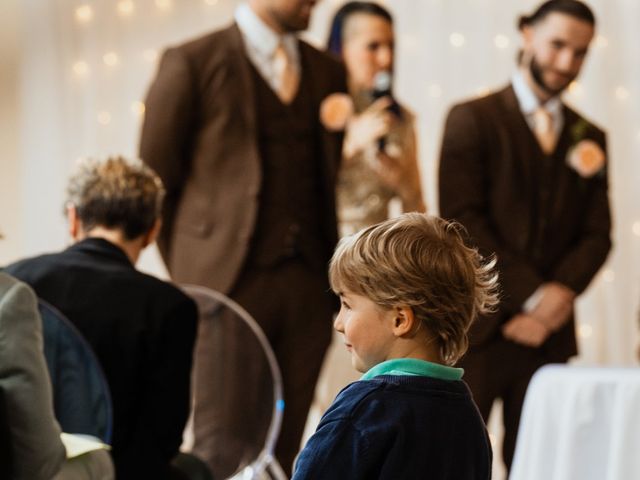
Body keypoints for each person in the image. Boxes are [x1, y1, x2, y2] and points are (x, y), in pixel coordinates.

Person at [139, 0, 346, 474]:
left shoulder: (326, 71)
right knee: (220, 444)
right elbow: (154, 183)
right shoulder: (191, 61)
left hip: (310, 286)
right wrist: (197, 275)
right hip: (224, 289)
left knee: (290, 447)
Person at [438, 0, 611, 471]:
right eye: (557, 45)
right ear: (527, 35)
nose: (566, 63)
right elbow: (462, 223)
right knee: (457, 459)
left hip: (549, 342)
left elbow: (599, 235)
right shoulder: (470, 118)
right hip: (483, 330)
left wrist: (554, 305)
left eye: (579, 53)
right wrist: (533, 297)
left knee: (542, 465)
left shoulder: (589, 135)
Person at [5, 157, 198, 480]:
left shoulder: (13, 281)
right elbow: (164, 437)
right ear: (153, 230)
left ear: (73, 218)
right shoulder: (171, 306)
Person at [292, 213, 497, 479]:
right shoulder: (469, 418)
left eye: (347, 305)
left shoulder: (364, 409)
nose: (338, 323)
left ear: (400, 319)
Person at [0, 272, 114, 480]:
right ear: (149, 237)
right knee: (97, 461)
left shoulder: (22, 269)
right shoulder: (8, 296)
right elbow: (38, 463)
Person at [327, 1, 425, 238]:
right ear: (342, 48)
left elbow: (417, 208)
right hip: (323, 249)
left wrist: (402, 183)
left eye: (390, 46)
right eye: (373, 46)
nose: (386, 58)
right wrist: (349, 147)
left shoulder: (400, 119)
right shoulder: (320, 108)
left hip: (374, 253)